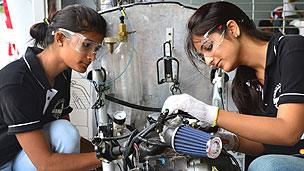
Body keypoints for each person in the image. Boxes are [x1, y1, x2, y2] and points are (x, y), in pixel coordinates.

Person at [162, 1, 304, 171]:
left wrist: (209, 113)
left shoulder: (292, 50)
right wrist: (229, 141)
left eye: (209, 47)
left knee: (265, 166)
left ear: (232, 28)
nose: (208, 61)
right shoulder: (244, 84)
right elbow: (265, 145)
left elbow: (289, 132)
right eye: (202, 57)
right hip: (286, 159)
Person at [0, 4, 109, 170]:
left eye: (97, 49)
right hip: (4, 161)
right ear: (60, 38)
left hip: (22, 153)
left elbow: (70, 139)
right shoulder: (17, 82)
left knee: (65, 132)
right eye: (86, 45)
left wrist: (114, 150)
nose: (92, 56)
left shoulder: (62, 74)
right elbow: (46, 164)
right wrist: (107, 156)